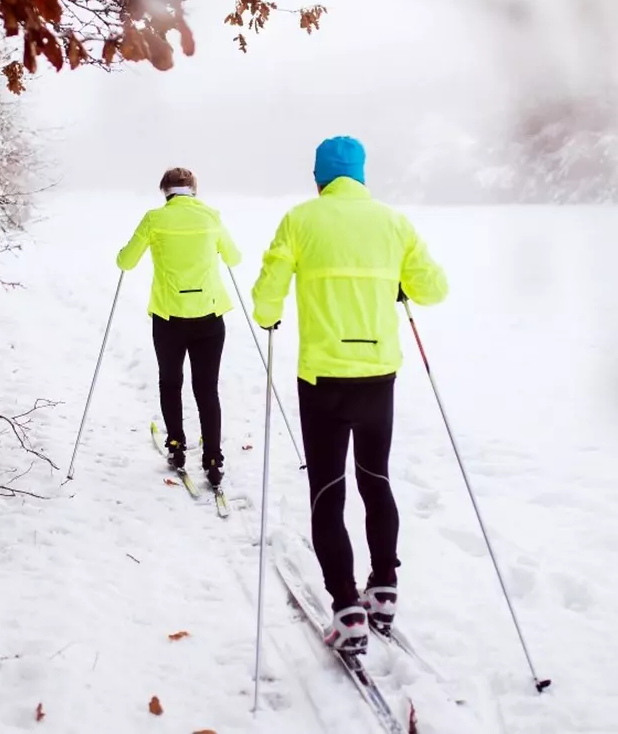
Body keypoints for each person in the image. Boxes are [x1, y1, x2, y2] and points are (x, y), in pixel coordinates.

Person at [251, 136, 448, 655]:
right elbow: (433, 290)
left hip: (323, 378)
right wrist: (401, 284)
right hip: (379, 375)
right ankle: (383, 586)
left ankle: (345, 609)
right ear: (361, 175)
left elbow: (268, 292)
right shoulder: (394, 222)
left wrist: (269, 314)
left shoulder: (300, 220)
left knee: (328, 492)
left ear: (319, 177)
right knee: (376, 480)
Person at [117, 167, 242, 489]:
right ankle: (213, 459)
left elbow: (126, 262)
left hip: (169, 318)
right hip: (210, 317)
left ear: (165, 191)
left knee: (170, 383)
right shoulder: (211, 216)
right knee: (207, 389)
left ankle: (176, 446)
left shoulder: (154, 219)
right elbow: (234, 257)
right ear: (194, 190)